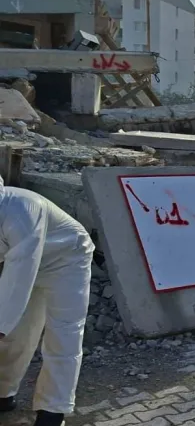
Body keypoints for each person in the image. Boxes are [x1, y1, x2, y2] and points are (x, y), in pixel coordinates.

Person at [0, 176, 96, 426]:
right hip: (24, 263)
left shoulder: (21, 210)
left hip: (68, 258)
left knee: (63, 333)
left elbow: (20, 274)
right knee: (19, 332)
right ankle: (3, 393)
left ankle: (53, 411)